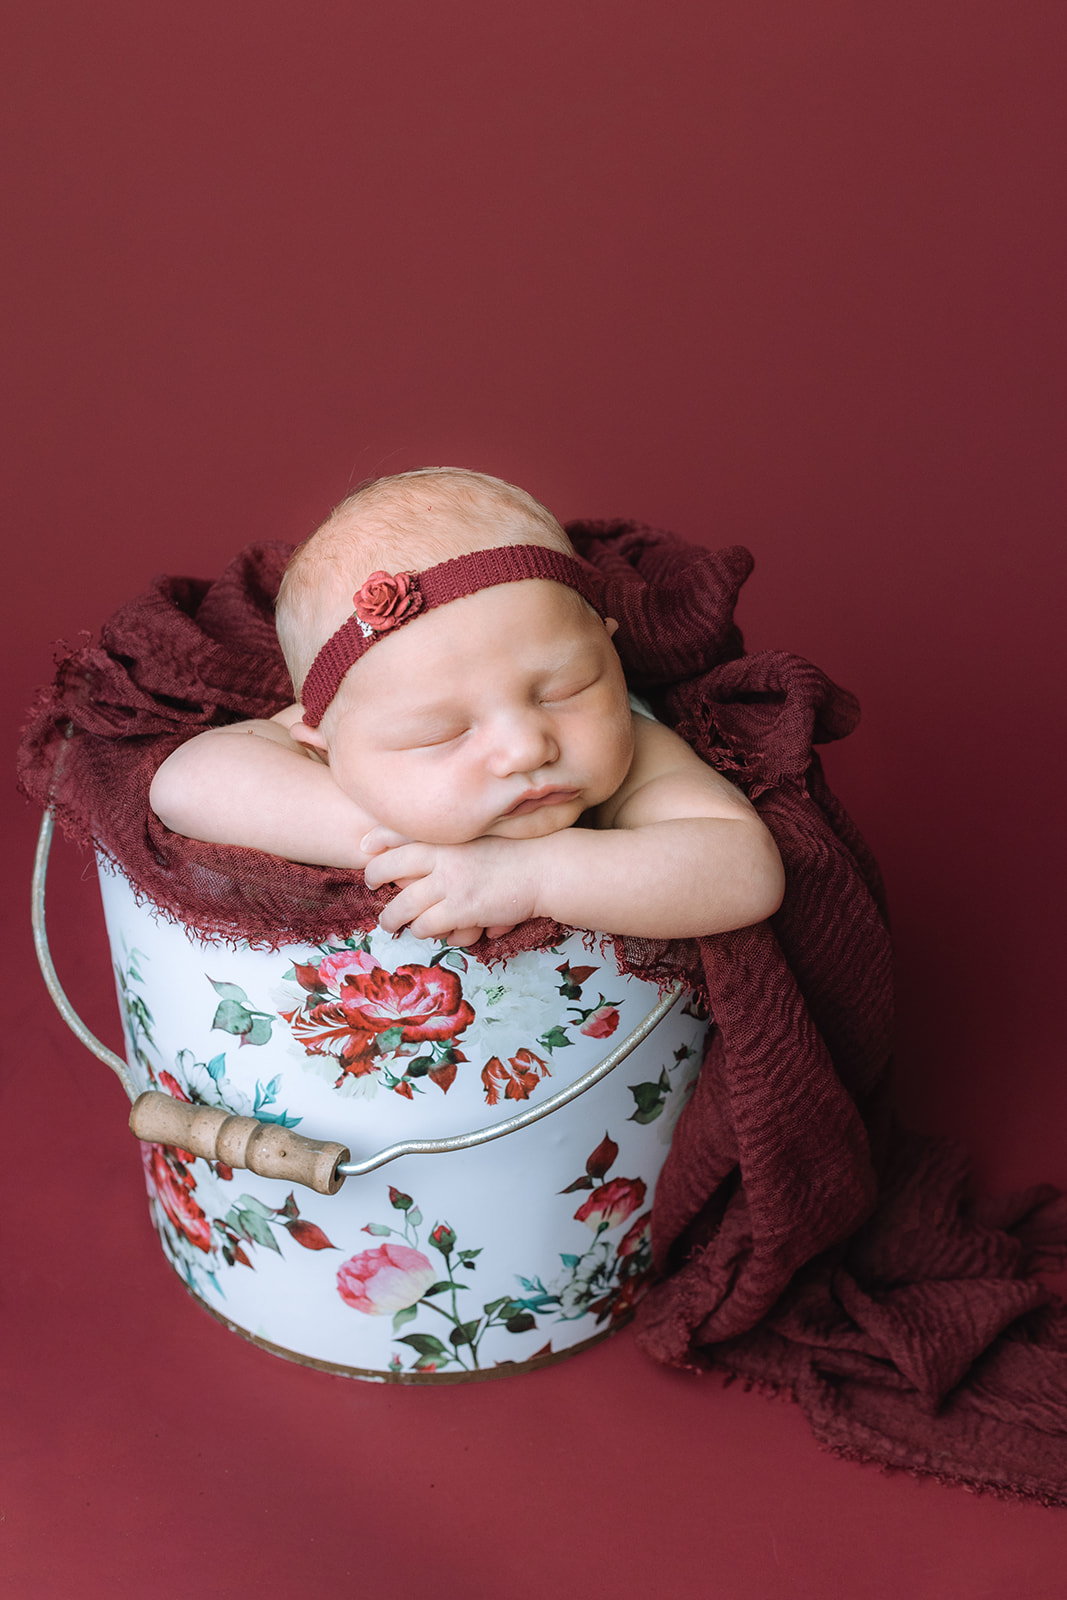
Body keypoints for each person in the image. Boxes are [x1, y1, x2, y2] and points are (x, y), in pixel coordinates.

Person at [149, 468, 785, 947]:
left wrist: (539, 874)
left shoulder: (634, 750)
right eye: (443, 733)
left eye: (563, 691)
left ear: (611, 658)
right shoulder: (354, 733)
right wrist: (395, 840)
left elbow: (745, 869)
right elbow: (183, 782)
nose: (528, 748)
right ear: (328, 748)